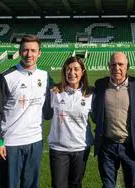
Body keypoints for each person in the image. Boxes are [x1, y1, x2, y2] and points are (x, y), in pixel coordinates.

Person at [0, 35, 51, 188]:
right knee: (10, 184)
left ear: (39, 53)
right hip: (11, 143)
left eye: (33, 51)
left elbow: (54, 101)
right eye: (25, 50)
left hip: (35, 141)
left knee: (31, 185)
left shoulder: (45, 76)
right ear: (19, 52)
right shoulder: (5, 77)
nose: (29, 54)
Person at [92, 52, 135, 188]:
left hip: (130, 146)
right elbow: (94, 110)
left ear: (127, 66)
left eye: (120, 64)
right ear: (108, 66)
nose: (117, 68)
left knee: (132, 184)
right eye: (113, 64)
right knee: (108, 185)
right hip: (107, 147)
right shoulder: (100, 85)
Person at [46, 56, 93, 188]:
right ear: (64, 71)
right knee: (58, 185)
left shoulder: (90, 94)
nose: (72, 73)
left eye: (76, 69)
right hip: (58, 147)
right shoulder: (54, 92)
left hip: (81, 147)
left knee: (76, 184)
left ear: (83, 72)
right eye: (69, 69)